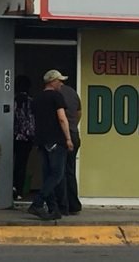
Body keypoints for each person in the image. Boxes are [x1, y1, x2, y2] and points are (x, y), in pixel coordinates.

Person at [27, 69, 74, 220]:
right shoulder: (56, 96)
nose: (61, 83)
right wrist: (68, 138)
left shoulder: (36, 98)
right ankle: (38, 203)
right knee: (57, 174)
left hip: (41, 141)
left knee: (48, 174)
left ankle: (53, 209)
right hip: (56, 141)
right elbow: (62, 118)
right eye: (59, 81)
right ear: (52, 81)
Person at [57, 82, 83, 215]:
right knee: (70, 171)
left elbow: (61, 118)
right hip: (74, 134)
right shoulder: (72, 92)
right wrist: (73, 126)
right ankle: (74, 205)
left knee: (59, 172)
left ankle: (62, 205)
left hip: (63, 135)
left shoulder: (56, 94)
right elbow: (79, 112)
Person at [12, 75, 34, 201]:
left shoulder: (12, 100)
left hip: (12, 135)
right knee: (21, 164)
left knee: (7, 162)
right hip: (26, 137)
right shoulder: (31, 101)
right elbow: (32, 121)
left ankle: (7, 187)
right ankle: (18, 189)